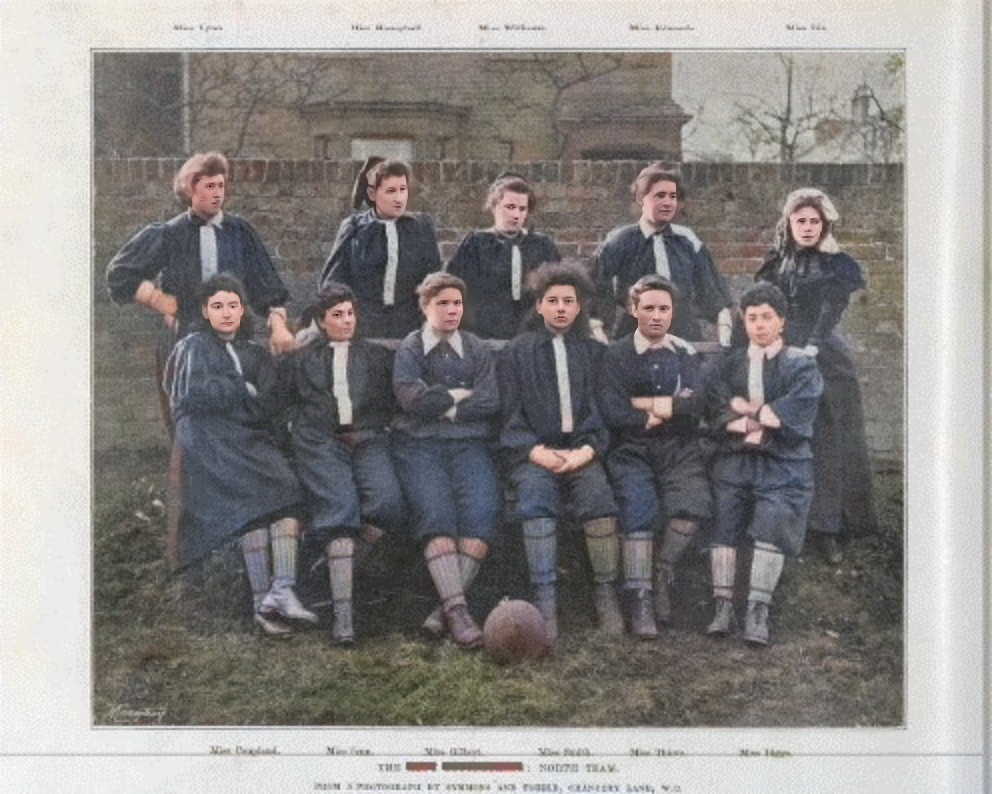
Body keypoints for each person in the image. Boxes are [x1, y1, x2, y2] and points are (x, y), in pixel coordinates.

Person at [163, 274, 315, 637]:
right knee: (252, 511)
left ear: (243, 309)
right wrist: (241, 390)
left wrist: (242, 395)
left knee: (288, 493)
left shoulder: (253, 351)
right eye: (218, 306)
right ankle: (263, 605)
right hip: (212, 443)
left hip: (249, 438)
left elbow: (268, 401)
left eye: (233, 305)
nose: (227, 313)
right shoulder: (194, 346)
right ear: (205, 311)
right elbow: (195, 396)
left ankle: (280, 590)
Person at [499, 263, 623, 642]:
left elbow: (602, 411)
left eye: (569, 301)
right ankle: (545, 599)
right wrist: (534, 451)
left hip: (581, 451)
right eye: (552, 301)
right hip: (534, 453)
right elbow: (509, 416)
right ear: (538, 306)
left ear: (580, 306)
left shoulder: (593, 352)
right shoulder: (517, 353)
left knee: (598, 498)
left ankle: (605, 592)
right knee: (535, 499)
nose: (561, 309)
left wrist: (587, 450)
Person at [754, 187, 879, 562]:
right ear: (789, 223)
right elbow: (763, 305)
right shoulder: (776, 263)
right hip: (782, 353)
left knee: (831, 436)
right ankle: (787, 524)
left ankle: (831, 528)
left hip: (825, 356)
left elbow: (830, 310)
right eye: (800, 221)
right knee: (786, 435)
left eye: (814, 222)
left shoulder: (836, 264)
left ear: (824, 226)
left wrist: (809, 347)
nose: (807, 227)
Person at [282, 283, 407, 645]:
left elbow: (391, 402)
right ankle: (344, 618)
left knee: (388, 503)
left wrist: (375, 430)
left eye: (350, 313)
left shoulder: (375, 357)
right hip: (320, 442)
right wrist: (301, 429)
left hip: (367, 439)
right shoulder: (303, 359)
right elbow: (283, 402)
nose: (346, 321)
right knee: (341, 509)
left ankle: (337, 567)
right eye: (337, 315)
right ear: (322, 321)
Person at [703, 283, 823, 646]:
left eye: (766, 317)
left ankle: (758, 609)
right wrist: (736, 417)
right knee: (724, 516)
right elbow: (715, 403)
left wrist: (750, 411)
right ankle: (723, 606)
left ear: (781, 321)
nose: (759, 325)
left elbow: (793, 408)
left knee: (774, 519)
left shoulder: (800, 364)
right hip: (737, 454)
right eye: (752, 318)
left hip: (783, 458)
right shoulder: (730, 363)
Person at [391, 272, 503, 648]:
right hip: (420, 446)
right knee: (436, 515)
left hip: (469, 444)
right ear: (425, 306)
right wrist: (459, 395)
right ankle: (457, 611)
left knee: (483, 513)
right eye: (443, 303)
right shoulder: (411, 348)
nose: (452, 310)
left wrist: (444, 404)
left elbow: (489, 401)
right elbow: (413, 402)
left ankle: (445, 609)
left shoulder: (475, 347)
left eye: (457, 303)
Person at [599, 275, 712, 638]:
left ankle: (662, 571)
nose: (657, 316)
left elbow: (695, 405)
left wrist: (650, 404)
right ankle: (640, 595)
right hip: (630, 448)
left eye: (664, 308)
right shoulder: (616, 354)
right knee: (638, 509)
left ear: (673, 311)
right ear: (634, 310)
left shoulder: (684, 353)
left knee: (692, 505)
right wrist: (660, 410)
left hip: (679, 446)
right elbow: (614, 409)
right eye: (648, 308)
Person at [106, 151, 295, 349]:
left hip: (236, 339)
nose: (217, 193)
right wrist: (157, 299)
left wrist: (279, 327)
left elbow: (268, 288)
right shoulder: (171, 233)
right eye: (209, 186)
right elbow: (120, 273)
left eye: (221, 186)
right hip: (184, 338)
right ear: (190, 190)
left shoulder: (240, 232)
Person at [595, 164, 733, 343]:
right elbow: (597, 286)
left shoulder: (687, 240)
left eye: (672, 196)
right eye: (660, 196)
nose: (667, 202)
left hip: (683, 336)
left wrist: (724, 332)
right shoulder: (621, 240)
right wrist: (599, 330)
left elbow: (711, 292)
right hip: (635, 338)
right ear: (641, 198)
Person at [320, 157, 442, 339]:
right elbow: (333, 282)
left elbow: (433, 282)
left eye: (403, 190)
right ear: (372, 194)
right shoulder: (354, 228)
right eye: (391, 191)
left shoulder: (421, 227)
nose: (399, 198)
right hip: (363, 330)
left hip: (410, 330)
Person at [446, 172, 561, 339]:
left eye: (522, 209)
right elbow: (454, 288)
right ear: (494, 206)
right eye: (510, 207)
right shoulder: (476, 244)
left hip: (531, 337)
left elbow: (560, 290)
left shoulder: (542, 245)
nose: (516, 215)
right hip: (484, 336)